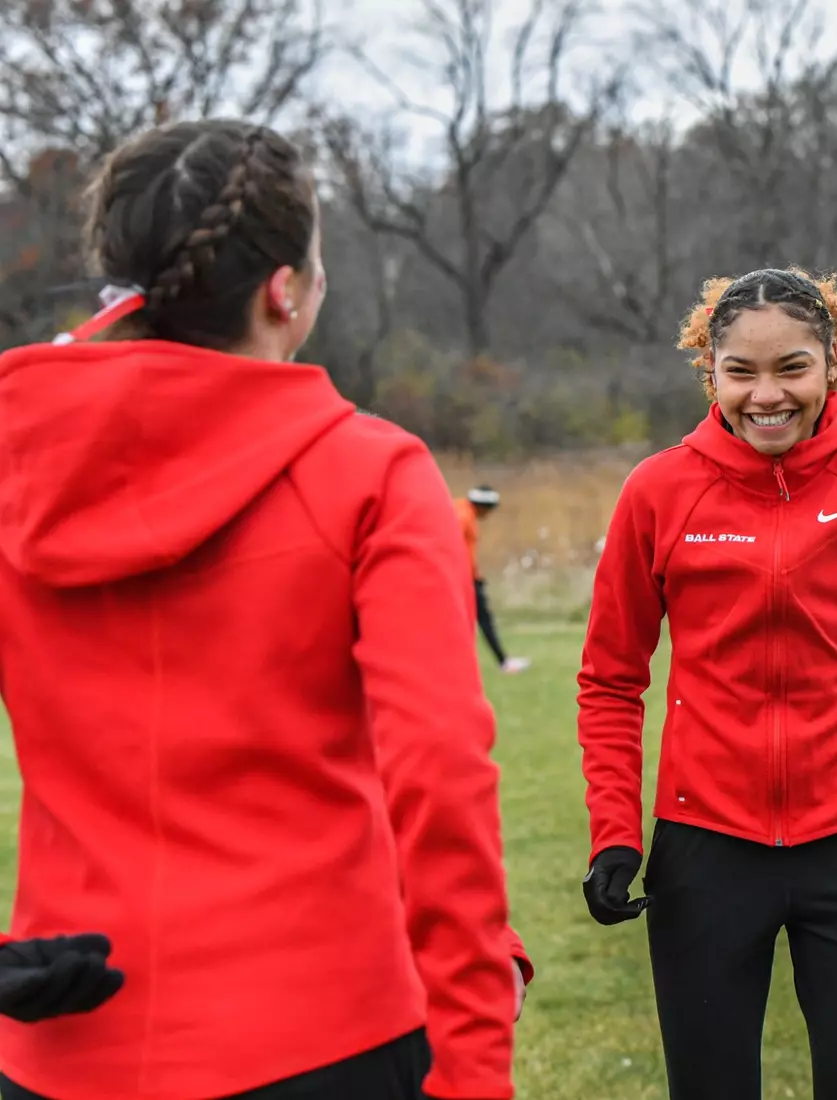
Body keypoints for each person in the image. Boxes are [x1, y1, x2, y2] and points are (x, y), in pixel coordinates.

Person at [0, 119, 531, 1100]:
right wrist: (474, 1067)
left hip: (64, 1049)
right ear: (285, 288)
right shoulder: (374, 470)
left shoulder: (13, 466)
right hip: (325, 1038)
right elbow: (443, 774)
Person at [576, 267, 837, 1100]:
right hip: (707, 847)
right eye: (741, 372)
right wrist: (615, 830)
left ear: (834, 364)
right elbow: (612, 679)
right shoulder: (659, 490)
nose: (767, 395)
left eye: (791, 367)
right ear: (708, 370)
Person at [454, 485, 531, 674]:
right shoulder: (463, 517)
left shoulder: (460, 510)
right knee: (481, 620)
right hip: (463, 579)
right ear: (483, 506)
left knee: (472, 621)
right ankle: (502, 662)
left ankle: (491, 661)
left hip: (464, 577)